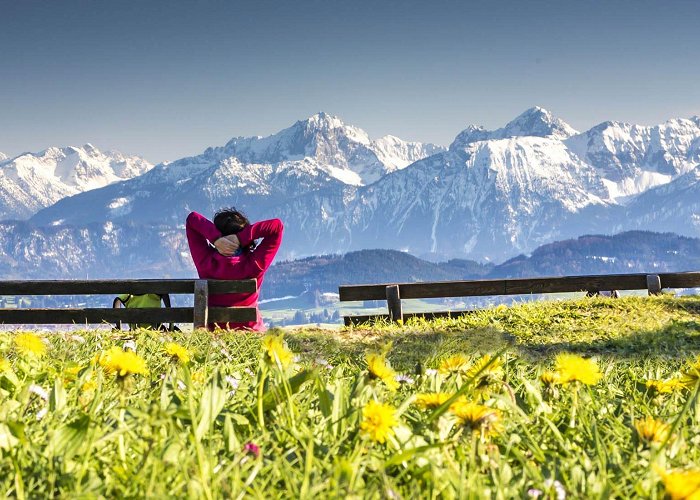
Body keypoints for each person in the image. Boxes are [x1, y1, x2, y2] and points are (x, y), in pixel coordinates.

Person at [185, 208, 283, 331]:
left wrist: (216, 238)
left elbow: (192, 219)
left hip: (215, 336)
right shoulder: (254, 264)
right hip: (251, 334)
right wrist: (241, 238)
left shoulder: (206, 262)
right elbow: (277, 226)